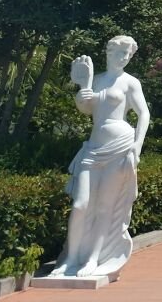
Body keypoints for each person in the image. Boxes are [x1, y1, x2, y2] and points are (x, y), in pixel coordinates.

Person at [51, 35, 149, 278]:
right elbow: (86, 108)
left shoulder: (130, 82)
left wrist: (137, 145)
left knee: (105, 207)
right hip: (93, 148)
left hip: (121, 146)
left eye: (128, 55)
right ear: (109, 52)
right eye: (121, 53)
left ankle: (93, 259)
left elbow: (143, 114)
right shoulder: (96, 79)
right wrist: (82, 91)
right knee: (80, 204)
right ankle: (71, 258)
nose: (124, 58)